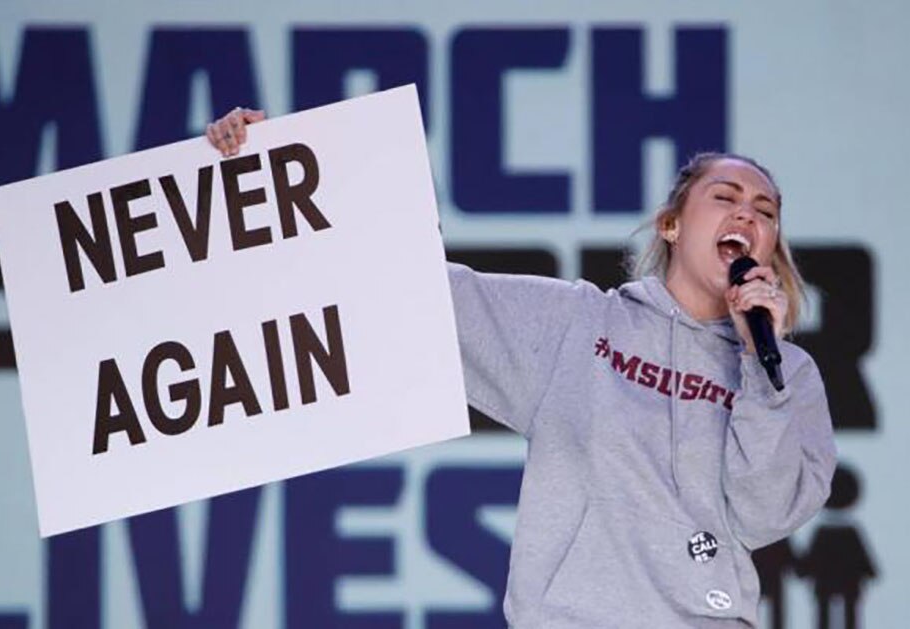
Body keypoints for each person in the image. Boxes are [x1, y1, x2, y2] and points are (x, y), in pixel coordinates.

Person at [207, 108, 837, 628]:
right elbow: (416, 290)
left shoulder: (788, 375)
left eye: (765, 211)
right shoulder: (578, 326)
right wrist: (272, 169)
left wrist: (760, 372)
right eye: (724, 197)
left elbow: (764, 514)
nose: (747, 215)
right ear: (671, 225)